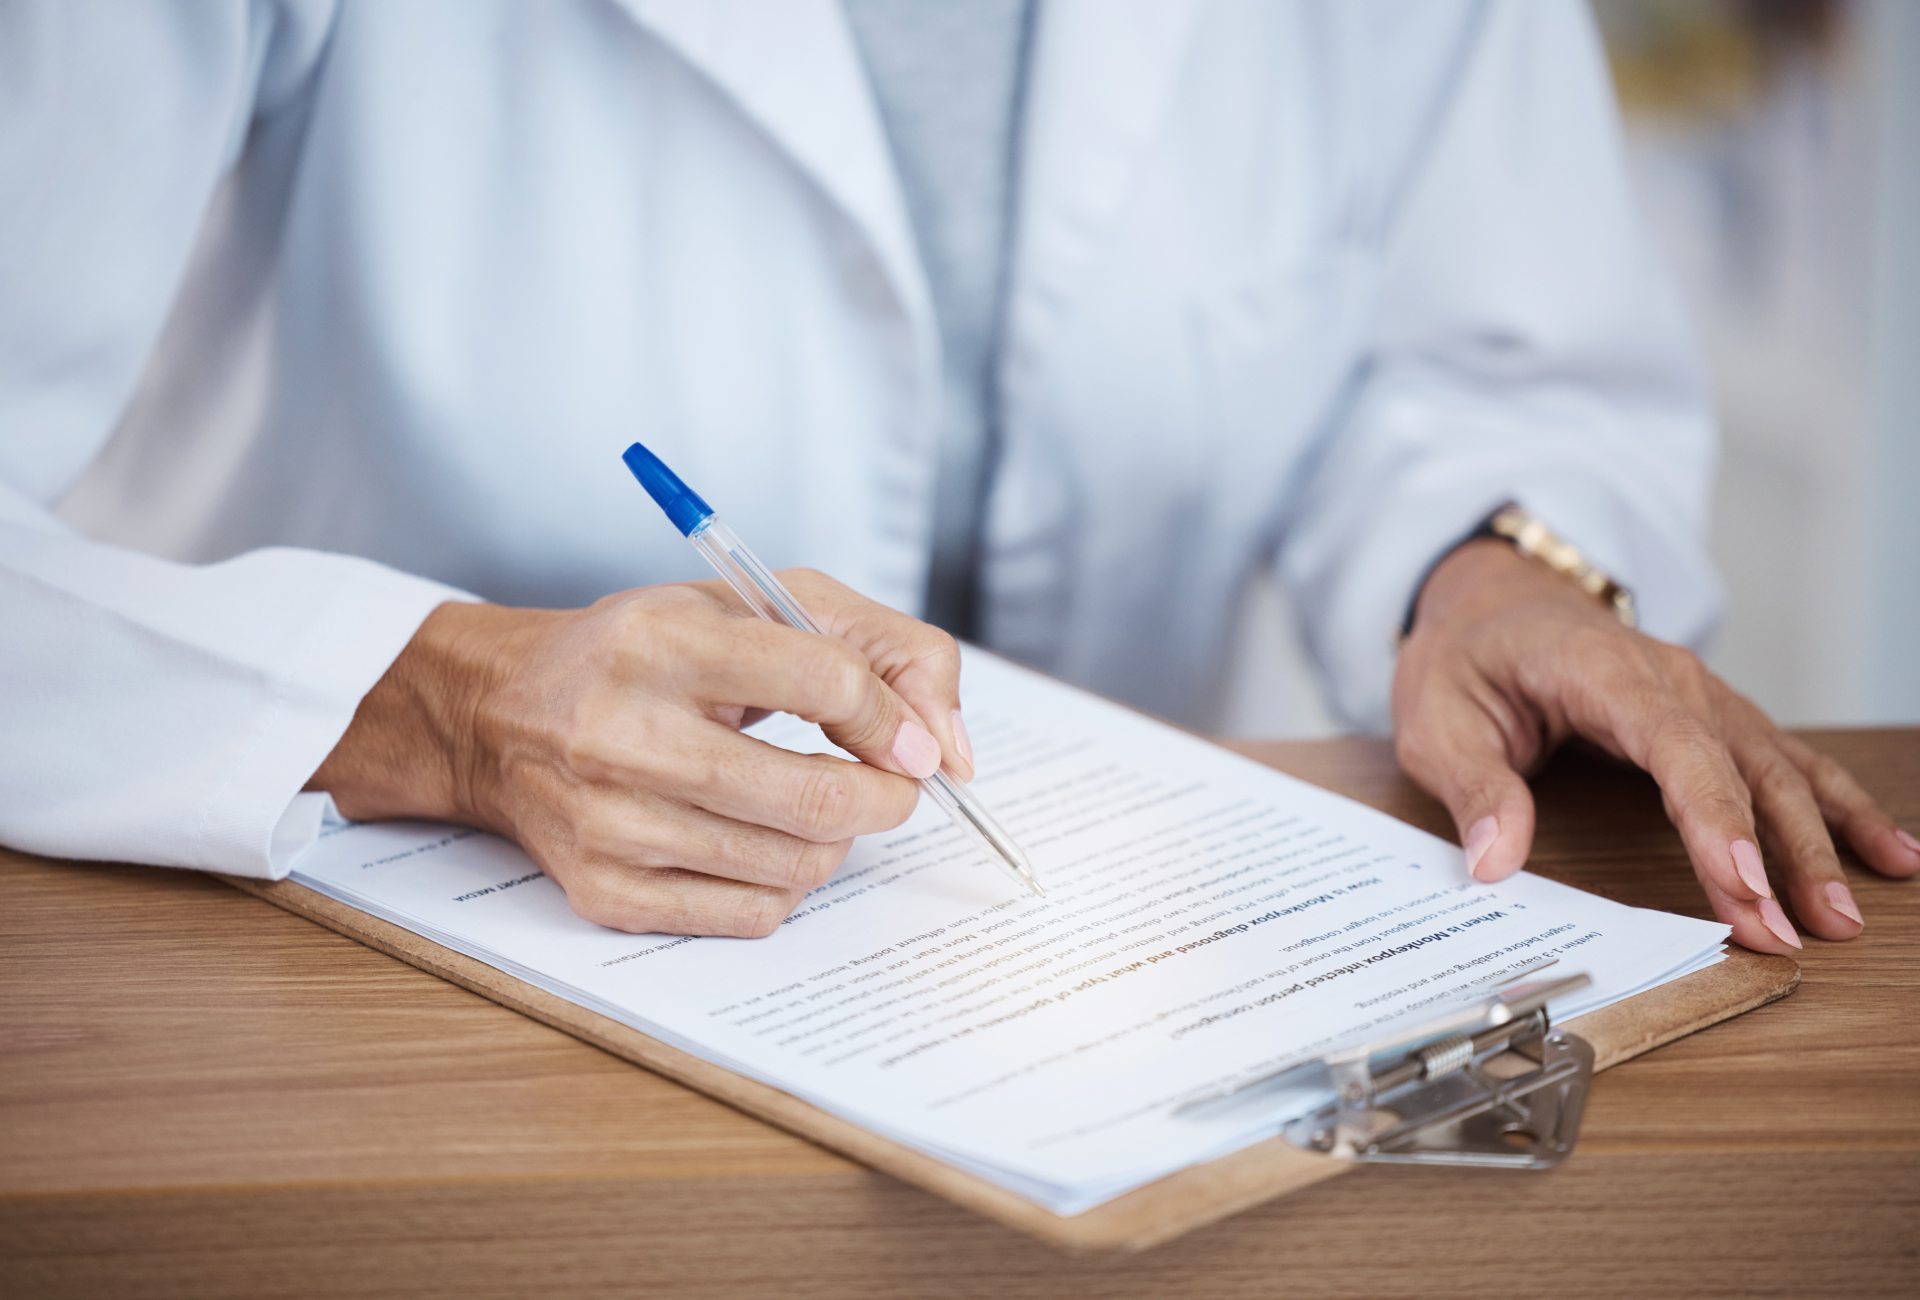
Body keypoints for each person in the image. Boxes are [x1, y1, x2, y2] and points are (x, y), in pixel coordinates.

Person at [3, 0, 1913, 955]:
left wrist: (1490, 563)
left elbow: (1483, 339)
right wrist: (434, 699)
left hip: (1078, 993)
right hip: (355, 1002)